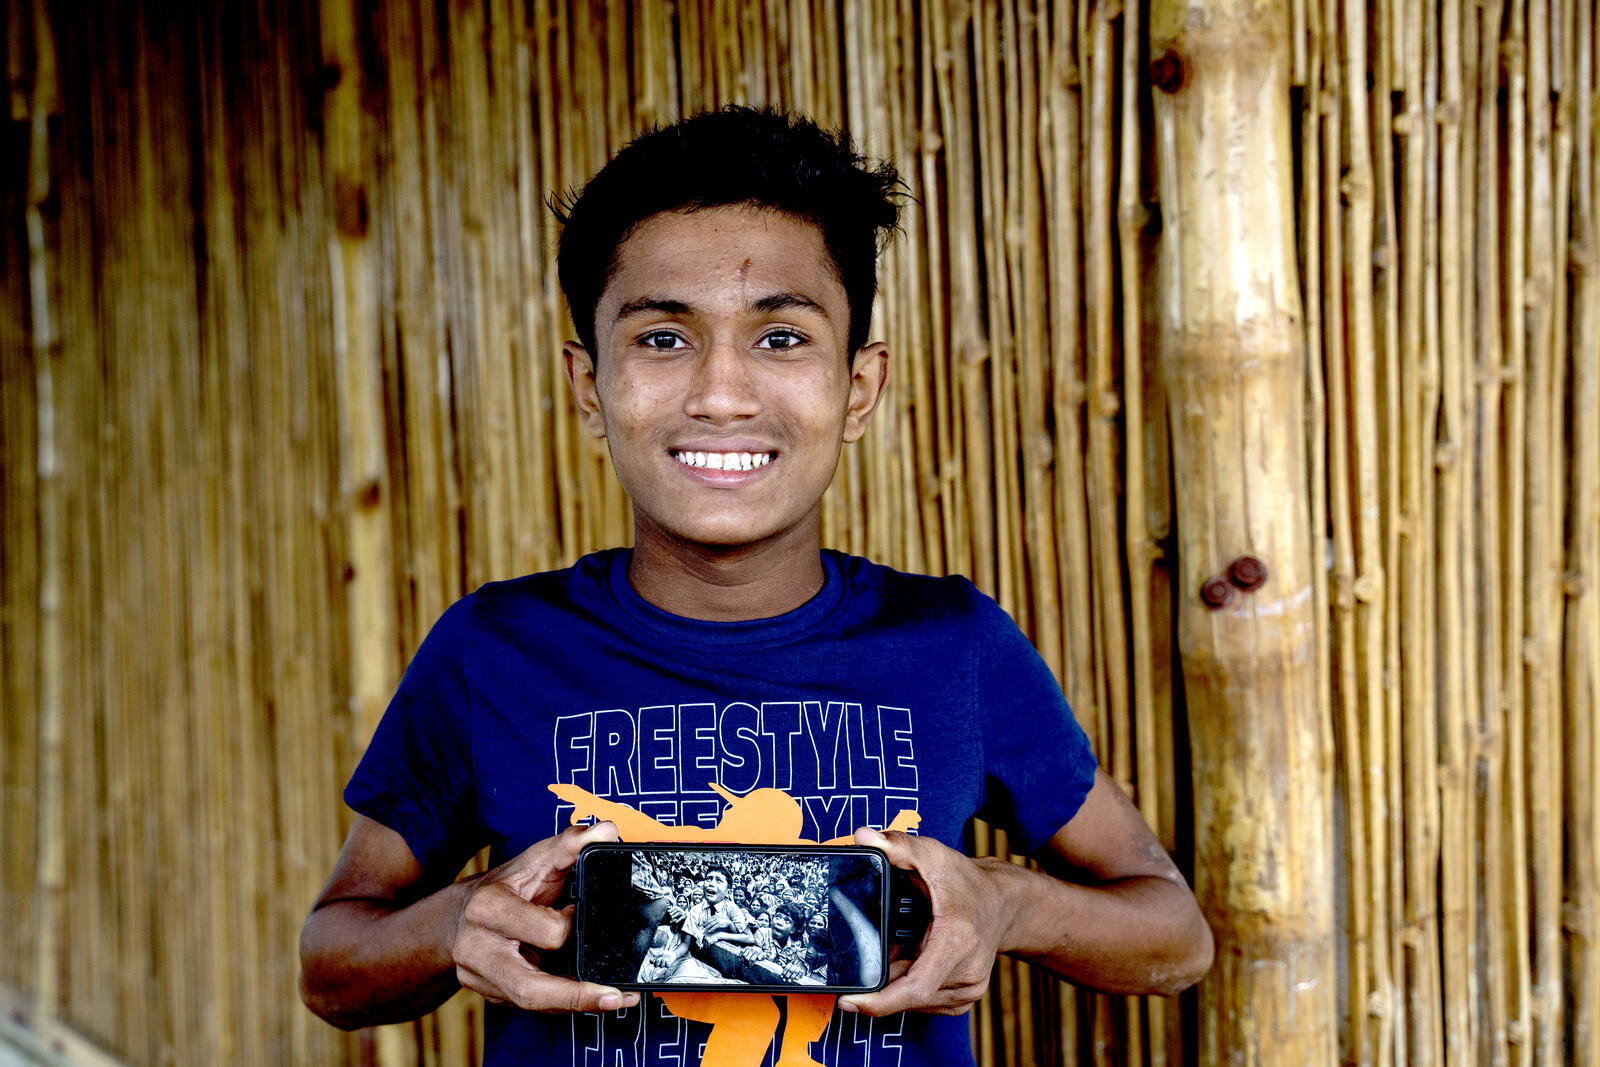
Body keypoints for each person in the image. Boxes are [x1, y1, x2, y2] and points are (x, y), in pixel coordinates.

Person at [298, 105, 1213, 1066]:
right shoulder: (496, 648)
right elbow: (332, 962)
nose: (722, 393)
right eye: (661, 338)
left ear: (858, 388)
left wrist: (1006, 902)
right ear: (588, 385)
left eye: (781, 337)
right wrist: (455, 926)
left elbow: (1174, 933)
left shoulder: (954, 646)